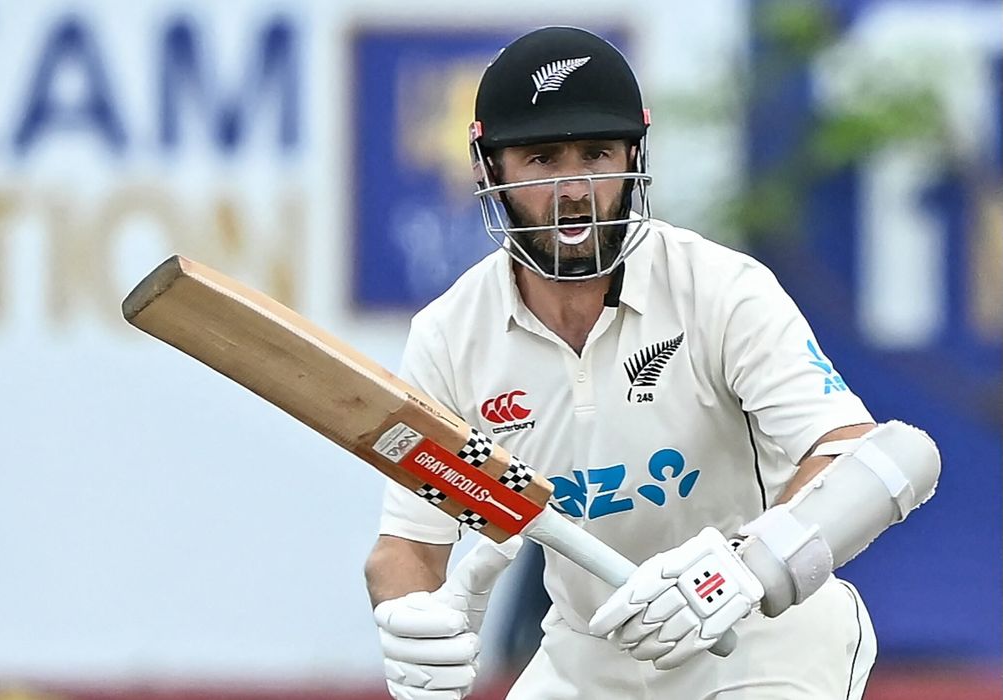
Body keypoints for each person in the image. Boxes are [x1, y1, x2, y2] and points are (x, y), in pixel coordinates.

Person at [364, 25, 940, 699]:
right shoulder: (449, 336)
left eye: (596, 154)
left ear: (633, 156)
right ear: (488, 168)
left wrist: (740, 570)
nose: (573, 189)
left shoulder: (718, 289)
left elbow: (860, 457)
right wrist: (412, 623)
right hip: (586, 652)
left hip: (756, 637)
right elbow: (407, 547)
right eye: (541, 158)